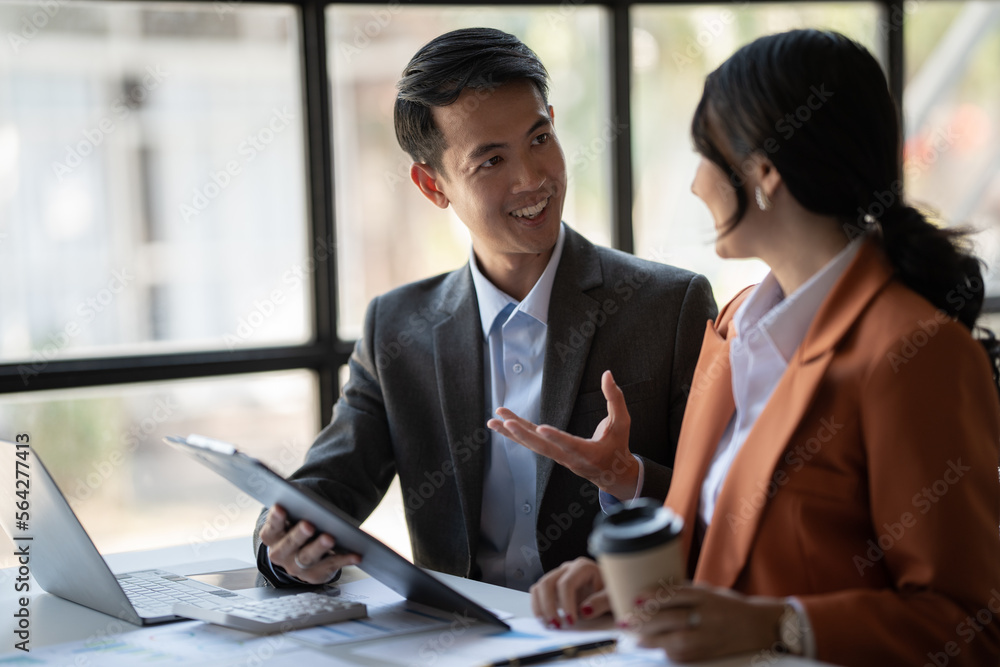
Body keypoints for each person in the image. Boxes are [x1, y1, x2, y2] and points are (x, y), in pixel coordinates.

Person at [496, 29, 1000, 664]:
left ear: (763, 174)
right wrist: (618, 588)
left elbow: (969, 627)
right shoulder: (735, 324)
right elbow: (714, 554)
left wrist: (780, 625)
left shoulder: (916, 352)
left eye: (706, 155)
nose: (696, 184)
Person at [253, 27, 717, 592]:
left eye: (539, 138)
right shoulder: (395, 329)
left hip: (614, 636)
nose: (533, 179)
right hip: (459, 643)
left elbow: (726, 506)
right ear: (432, 185)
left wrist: (628, 477)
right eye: (491, 160)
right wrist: (286, 551)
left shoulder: (669, 307)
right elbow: (325, 489)